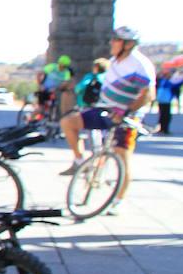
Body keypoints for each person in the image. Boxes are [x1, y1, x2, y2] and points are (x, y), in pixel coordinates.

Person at [60, 26, 155, 213]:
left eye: (116, 40)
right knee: (68, 122)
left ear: (128, 44)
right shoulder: (115, 61)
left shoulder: (139, 64)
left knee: (122, 156)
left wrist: (127, 111)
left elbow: (148, 94)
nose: (111, 42)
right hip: (106, 109)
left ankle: (119, 200)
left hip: (127, 116)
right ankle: (80, 161)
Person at [156, 67, 183, 135]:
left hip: (161, 100)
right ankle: (165, 129)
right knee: (166, 115)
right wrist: (182, 81)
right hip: (166, 100)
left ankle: (162, 128)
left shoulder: (162, 81)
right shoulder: (168, 82)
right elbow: (175, 86)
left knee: (162, 115)